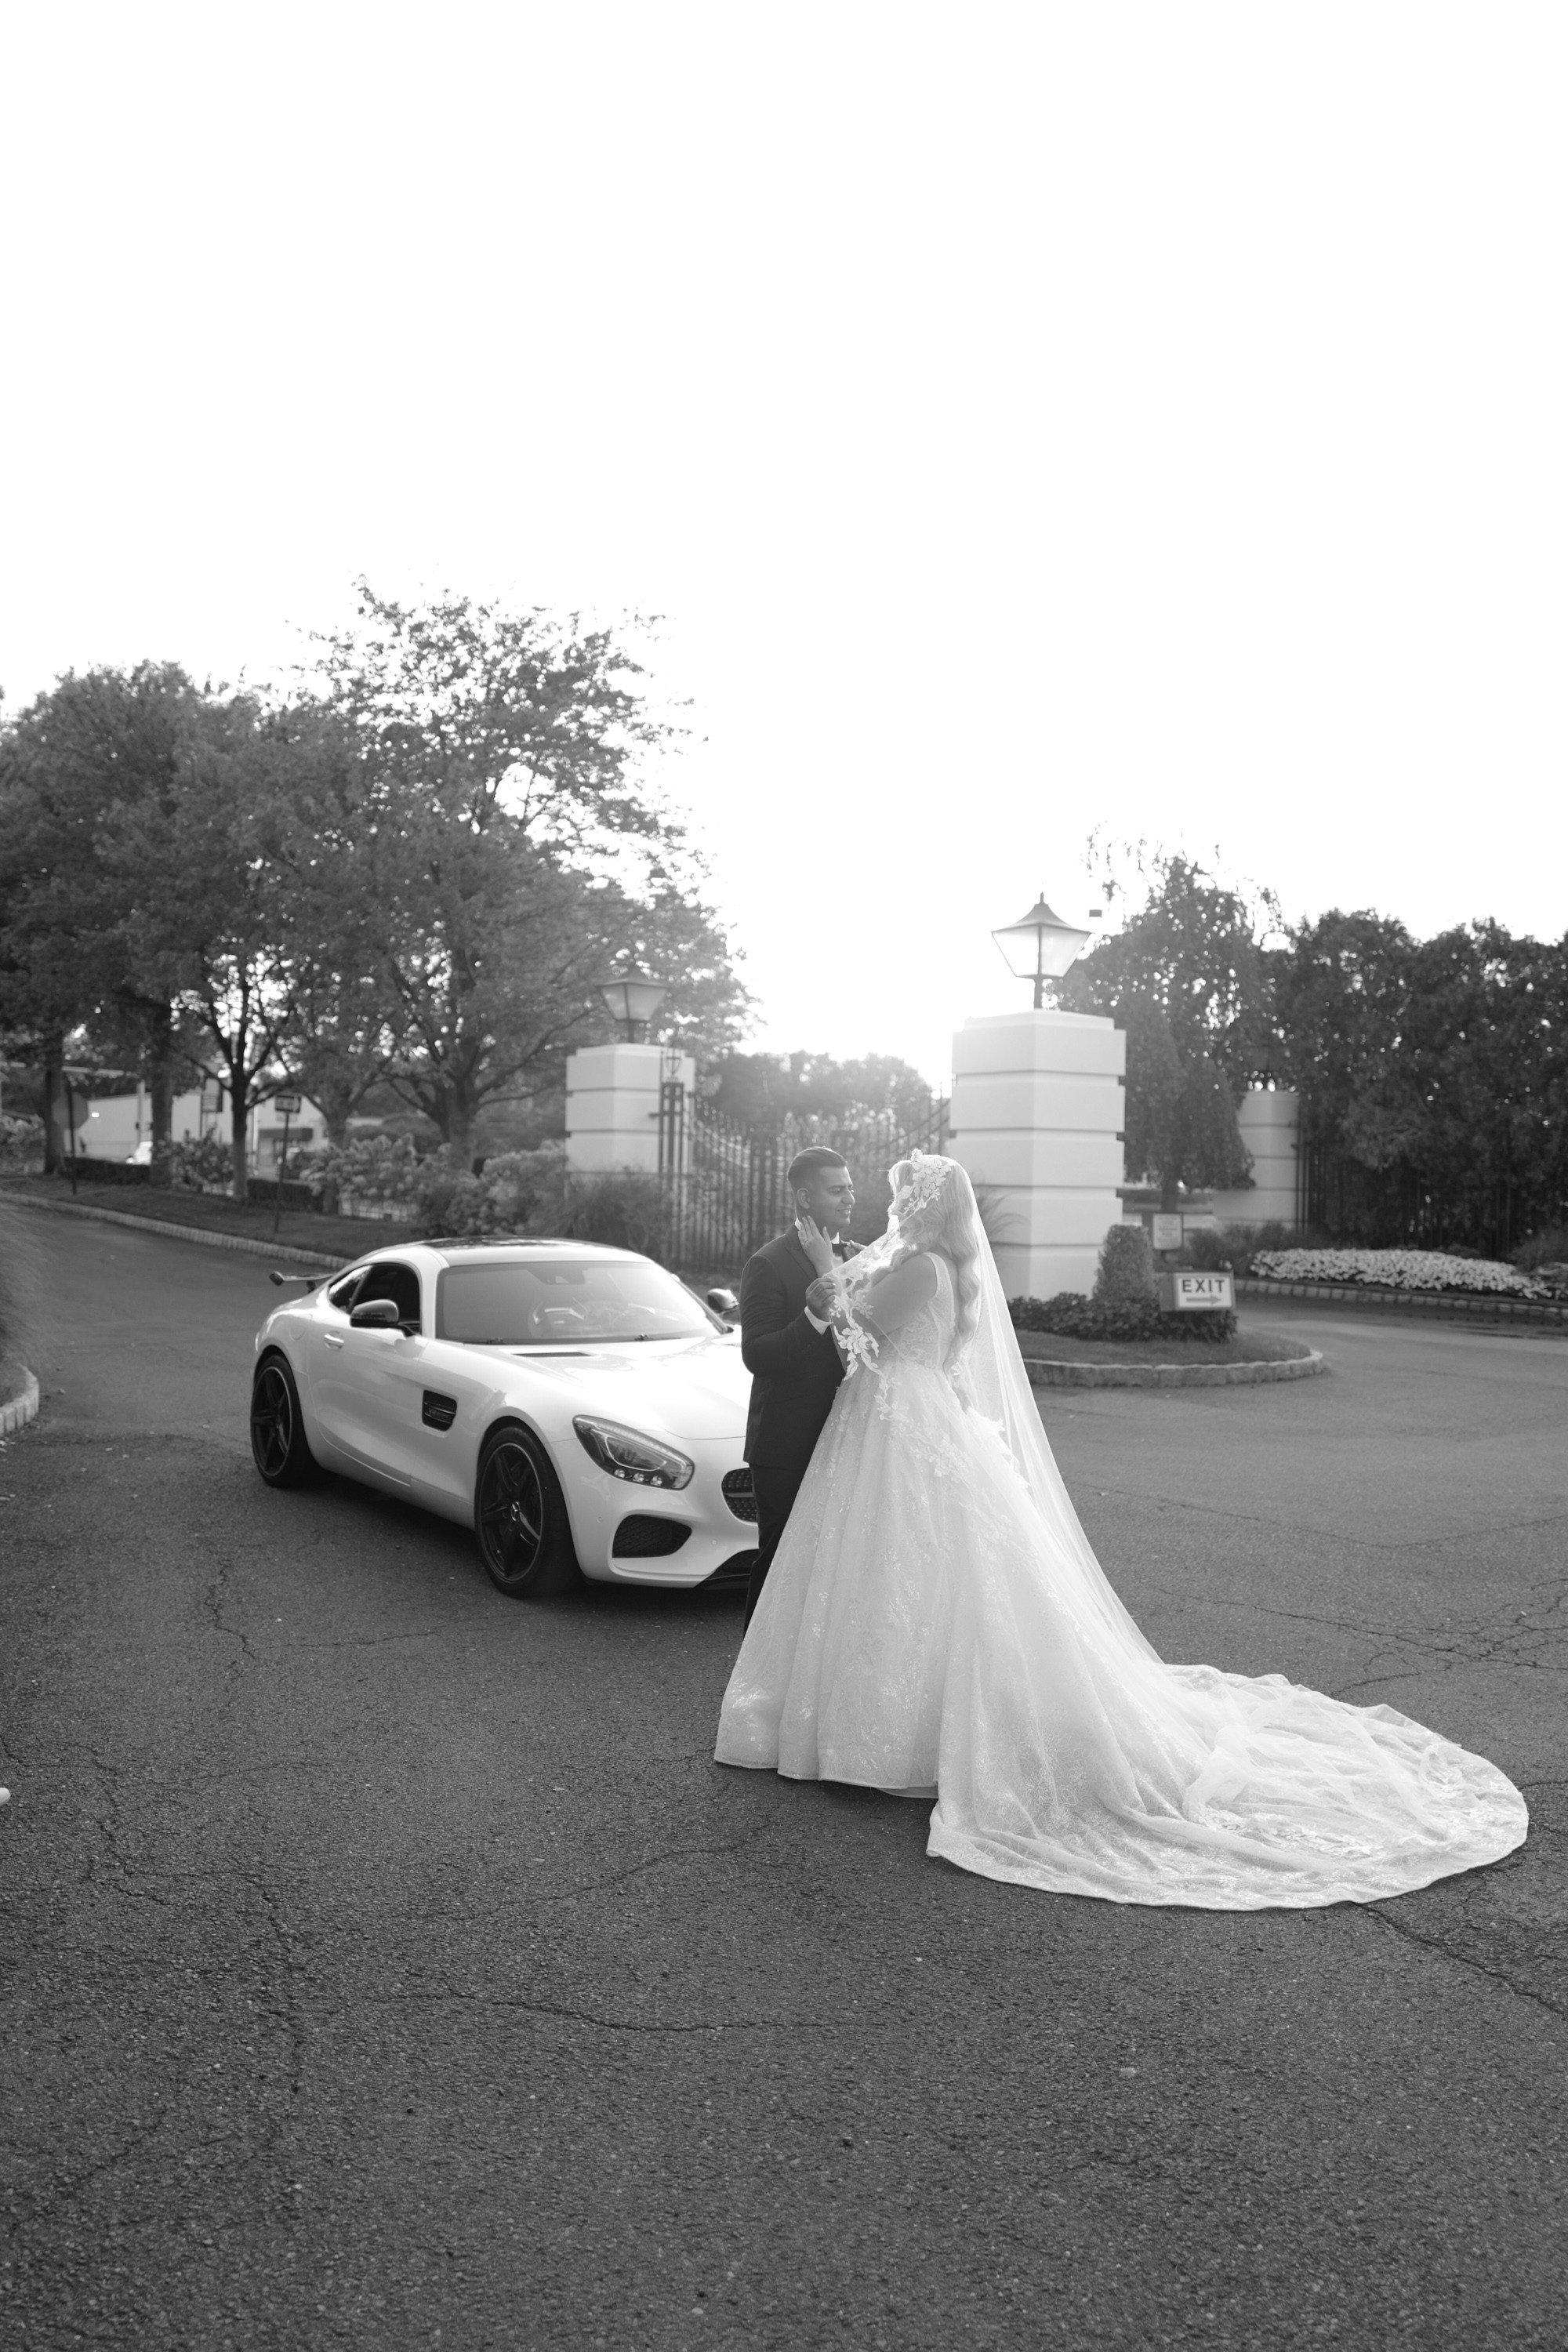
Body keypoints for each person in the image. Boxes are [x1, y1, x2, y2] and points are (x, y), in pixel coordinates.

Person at [717, 1152, 1527, 1907]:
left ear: (923, 1209)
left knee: (905, 1572)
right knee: (912, 1574)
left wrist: (829, 1278)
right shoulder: (948, 1270)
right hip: (913, 1419)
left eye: (901, 1197)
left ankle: (881, 1734)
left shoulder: (917, 1269)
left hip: (897, 1426)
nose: (888, 1206)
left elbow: (859, 1339)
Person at [737, 1148, 861, 1630]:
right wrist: (811, 1316)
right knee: (778, 1562)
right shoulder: (767, 1263)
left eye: (850, 1187)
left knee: (830, 1564)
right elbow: (758, 1355)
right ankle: (752, 1675)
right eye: (837, 1190)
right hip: (787, 1442)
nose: (849, 1197)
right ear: (805, 1198)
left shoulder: (856, 1255)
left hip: (849, 1435)